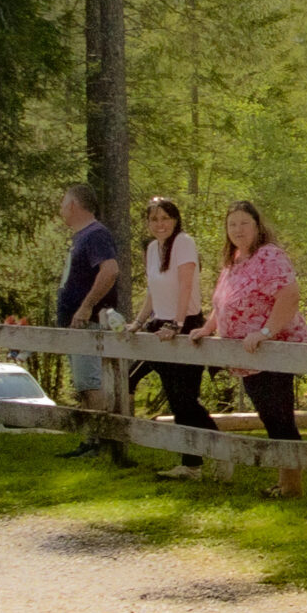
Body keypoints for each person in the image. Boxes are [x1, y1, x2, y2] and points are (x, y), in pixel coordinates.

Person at [197, 199, 307, 497]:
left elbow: (289, 295)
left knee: (278, 416)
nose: (238, 229)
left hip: (272, 351)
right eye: (232, 224)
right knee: (269, 415)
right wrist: (207, 328)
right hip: (247, 356)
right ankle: (285, 482)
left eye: (244, 223)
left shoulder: (269, 256)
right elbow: (223, 303)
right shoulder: (234, 260)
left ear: (258, 226)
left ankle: (291, 485)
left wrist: (265, 332)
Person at [129, 197, 216, 478]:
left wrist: (177, 324)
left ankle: (217, 452)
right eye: (154, 219)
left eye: (165, 218)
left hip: (185, 324)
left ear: (175, 220)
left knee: (186, 399)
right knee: (176, 399)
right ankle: (192, 464)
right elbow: (153, 290)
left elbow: (185, 285)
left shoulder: (183, 243)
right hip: (159, 325)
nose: (160, 224)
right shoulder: (153, 248)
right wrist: (138, 322)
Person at [57, 183, 122, 417]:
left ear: (73, 205)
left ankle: (101, 433)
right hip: (76, 324)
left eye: (63, 203)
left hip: (88, 322)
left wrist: (86, 306)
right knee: (83, 385)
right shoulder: (81, 237)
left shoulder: (96, 234)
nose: (61, 209)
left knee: (90, 384)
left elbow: (110, 270)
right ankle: (91, 434)